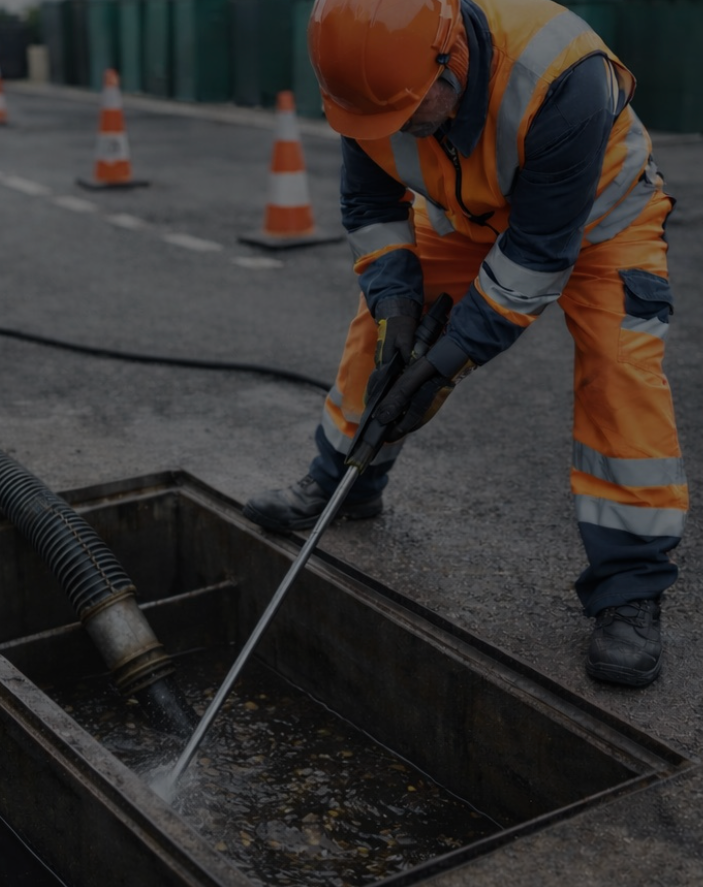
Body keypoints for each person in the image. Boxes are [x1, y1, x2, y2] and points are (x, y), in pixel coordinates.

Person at [242, 0, 687, 688]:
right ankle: (341, 484)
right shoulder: (369, 85)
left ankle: (629, 589)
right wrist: (396, 307)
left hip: (603, 222)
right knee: (379, 340)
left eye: (411, 112)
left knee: (619, 373)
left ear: (450, 60)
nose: (395, 130)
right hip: (469, 216)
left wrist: (449, 357)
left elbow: (539, 253)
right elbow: (370, 209)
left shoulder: (563, 74)